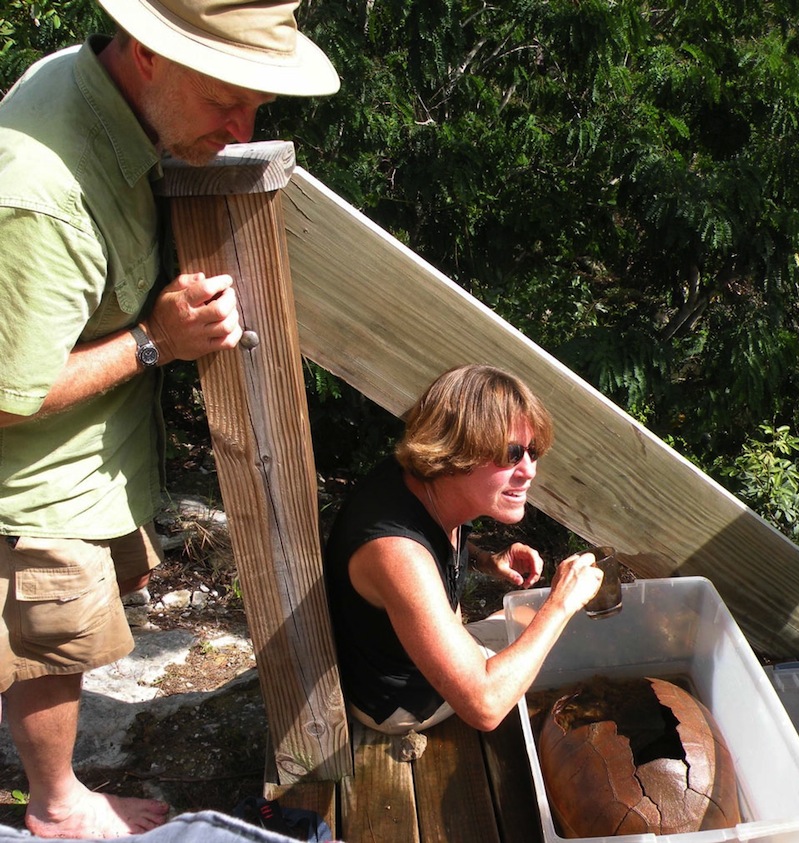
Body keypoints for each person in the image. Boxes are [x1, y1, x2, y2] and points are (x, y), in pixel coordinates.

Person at [0, 1, 339, 838]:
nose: (242, 125)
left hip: (92, 455)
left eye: (258, 104)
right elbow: (6, 396)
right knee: (48, 644)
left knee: (59, 632)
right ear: (147, 54)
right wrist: (155, 340)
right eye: (227, 96)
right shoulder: (38, 194)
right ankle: (55, 804)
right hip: (36, 483)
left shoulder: (99, 93)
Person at [324, 364, 605, 734]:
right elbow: (485, 707)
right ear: (455, 451)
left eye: (532, 451)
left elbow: (431, 542)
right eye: (511, 453)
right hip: (402, 702)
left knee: (532, 624)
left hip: (410, 657)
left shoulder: (422, 484)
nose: (529, 470)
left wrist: (486, 560)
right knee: (559, 640)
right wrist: (561, 603)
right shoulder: (396, 551)